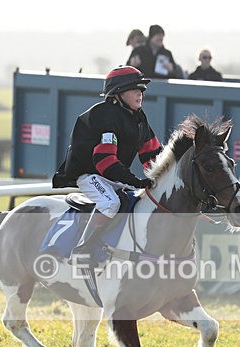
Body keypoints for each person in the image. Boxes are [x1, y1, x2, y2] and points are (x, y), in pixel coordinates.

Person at [53, 66, 162, 262]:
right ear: (117, 94)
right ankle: (82, 249)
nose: (140, 93)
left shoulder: (139, 118)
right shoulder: (105, 115)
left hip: (112, 176)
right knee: (111, 203)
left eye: (142, 90)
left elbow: (153, 156)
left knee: (143, 200)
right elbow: (105, 161)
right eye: (134, 89)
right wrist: (136, 181)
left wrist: (163, 179)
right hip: (90, 175)